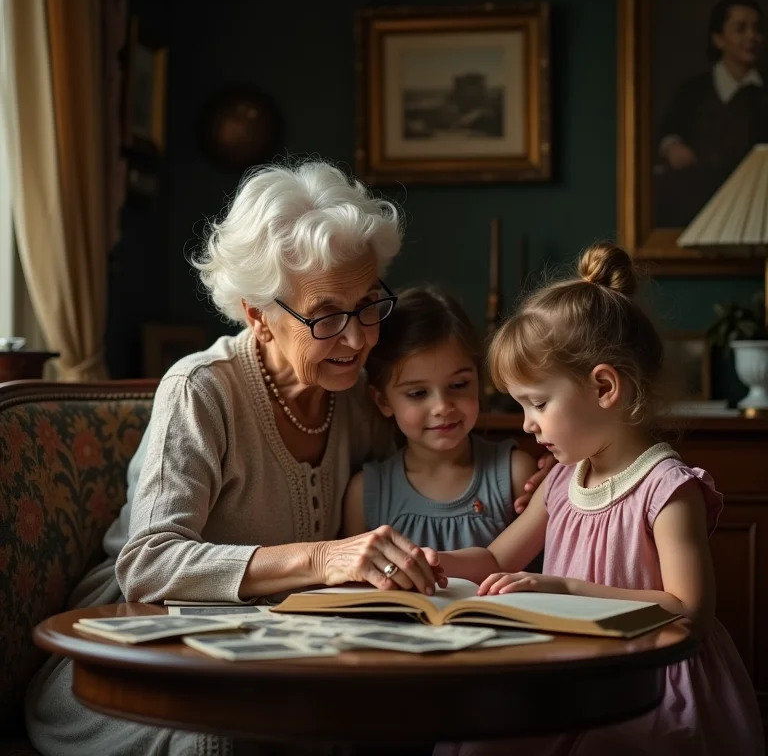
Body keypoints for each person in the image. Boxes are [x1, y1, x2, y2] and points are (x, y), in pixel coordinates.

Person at [24, 160, 554, 756]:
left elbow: (424, 470)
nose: (357, 340)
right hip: (141, 658)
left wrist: (535, 487)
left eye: (368, 304)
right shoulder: (202, 389)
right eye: (326, 316)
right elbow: (148, 565)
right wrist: (325, 558)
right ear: (258, 314)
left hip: (289, 655)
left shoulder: (357, 394)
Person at [429, 242, 764, 756]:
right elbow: (497, 558)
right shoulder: (562, 478)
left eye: (538, 402)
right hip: (572, 670)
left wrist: (562, 588)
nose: (526, 423)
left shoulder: (666, 488)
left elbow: (688, 612)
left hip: (649, 681)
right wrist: (433, 563)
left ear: (604, 386)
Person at [343, 286, 535, 552]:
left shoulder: (515, 475)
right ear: (383, 401)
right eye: (418, 393)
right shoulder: (366, 493)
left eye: (458, 385)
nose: (443, 407)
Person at [656, 0, 767, 227]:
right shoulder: (693, 91)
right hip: (698, 211)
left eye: (757, 29)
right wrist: (672, 146)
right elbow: (667, 131)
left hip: (753, 212)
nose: (752, 37)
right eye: (740, 29)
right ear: (718, 39)